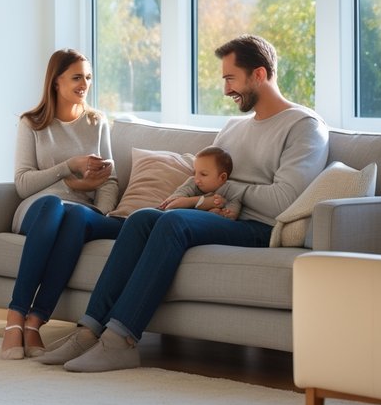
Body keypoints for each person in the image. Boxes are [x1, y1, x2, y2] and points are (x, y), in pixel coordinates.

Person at [38, 35, 328, 372]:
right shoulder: (234, 128)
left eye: (231, 78)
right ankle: (88, 332)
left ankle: (121, 340)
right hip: (212, 214)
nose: (226, 89)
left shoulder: (304, 126)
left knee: (173, 224)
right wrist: (181, 196)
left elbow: (284, 200)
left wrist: (223, 193)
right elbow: (200, 175)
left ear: (259, 74)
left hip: (256, 226)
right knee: (144, 218)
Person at [1, 48, 121, 360]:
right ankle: (15, 318)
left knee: (76, 215)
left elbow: (109, 180)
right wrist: (68, 169)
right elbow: (24, 183)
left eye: (89, 77)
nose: (85, 83)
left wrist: (101, 213)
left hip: (79, 213)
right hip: (38, 209)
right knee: (54, 206)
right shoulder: (32, 123)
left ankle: (35, 323)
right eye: (77, 77)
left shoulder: (97, 123)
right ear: (56, 81)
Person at [157, 146, 243, 219]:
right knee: (145, 213)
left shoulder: (231, 190)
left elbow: (229, 215)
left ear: (222, 177)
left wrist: (220, 212)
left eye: (203, 174)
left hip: (191, 223)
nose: (197, 179)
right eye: (195, 173)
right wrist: (206, 201)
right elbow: (171, 205)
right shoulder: (192, 182)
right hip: (168, 215)